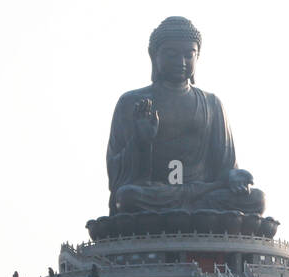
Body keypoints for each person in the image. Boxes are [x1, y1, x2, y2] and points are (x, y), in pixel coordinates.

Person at [106, 17, 265, 216]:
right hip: (155, 195)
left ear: (197, 56)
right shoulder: (131, 102)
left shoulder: (212, 103)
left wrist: (235, 178)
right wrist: (141, 140)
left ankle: (186, 214)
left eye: (189, 55)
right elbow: (116, 175)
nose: (181, 62)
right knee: (127, 197)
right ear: (153, 55)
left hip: (203, 193)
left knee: (256, 199)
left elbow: (225, 167)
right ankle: (190, 215)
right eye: (171, 55)